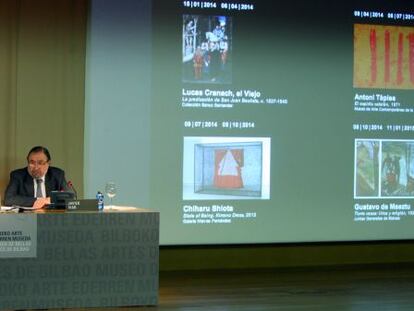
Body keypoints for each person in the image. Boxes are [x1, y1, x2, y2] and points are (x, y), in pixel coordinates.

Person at [4, 146, 70, 209]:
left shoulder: (58, 175)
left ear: (48, 163)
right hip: (27, 218)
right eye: (32, 163)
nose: (36, 167)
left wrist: (50, 200)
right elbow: (9, 199)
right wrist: (39, 200)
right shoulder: (18, 176)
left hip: (52, 216)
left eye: (40, 163)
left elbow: (70, 197)